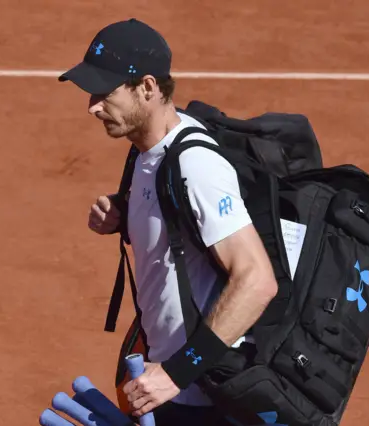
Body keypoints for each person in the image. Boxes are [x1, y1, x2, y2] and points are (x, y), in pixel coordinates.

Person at [58, 18, 279, 426]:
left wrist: (176, 374)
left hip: (205, 397)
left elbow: (257, 279)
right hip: (168, 384)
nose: (91, 106)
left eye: (104, 92)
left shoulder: (196, 166)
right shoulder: (145, 152)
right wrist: (124, 216)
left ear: (147, 87)